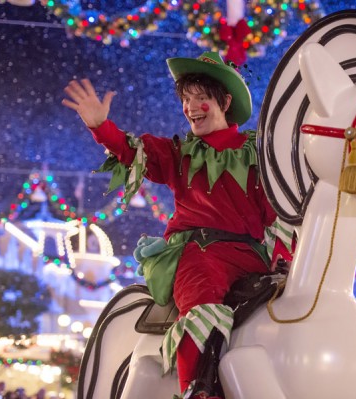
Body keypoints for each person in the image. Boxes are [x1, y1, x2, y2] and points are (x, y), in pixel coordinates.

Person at [62, 51, 293, 399]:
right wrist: (101, 126)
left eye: (201, 97)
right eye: (186, 99)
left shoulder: (256, 152)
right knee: (202, 306)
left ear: (224, 101)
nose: (191, 107)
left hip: (251, 257)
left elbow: (276, 210)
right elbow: (131, 151)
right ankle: (196, 391)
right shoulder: (178, 152)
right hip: (198, 254)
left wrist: (285, 254)